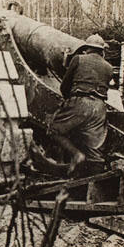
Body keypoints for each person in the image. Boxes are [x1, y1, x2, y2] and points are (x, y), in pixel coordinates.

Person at [47, 34, 114, 176]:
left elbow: (64, 86)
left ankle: (76, 155)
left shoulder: (78, 59)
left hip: (80, 101)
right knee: (94, 149)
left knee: (54, 130)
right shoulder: (109, 67)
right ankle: (96, 183)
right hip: (100, 107)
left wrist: (68, 103)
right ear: (102, 51)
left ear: (86, 49)